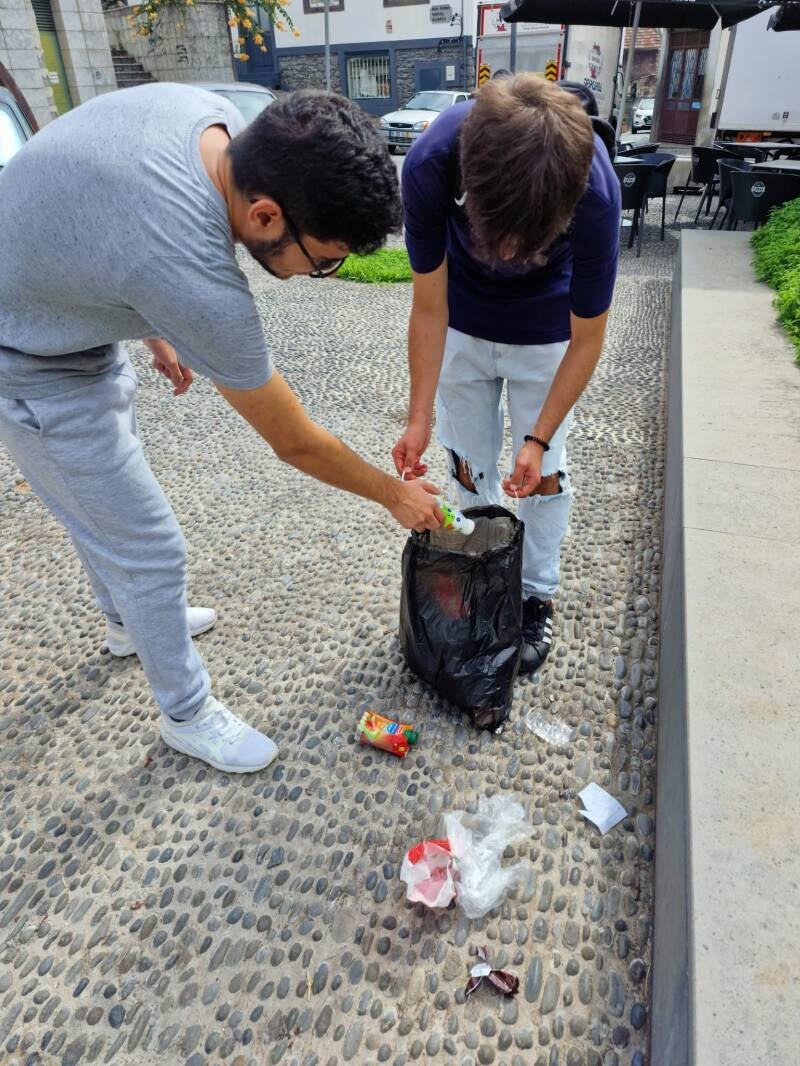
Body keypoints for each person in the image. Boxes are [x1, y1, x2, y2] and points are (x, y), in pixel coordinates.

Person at [0, 84, 442, 773]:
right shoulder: (190, 273)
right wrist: (393, 493)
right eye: (323, 261)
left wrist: (151, 323)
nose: (322, 273)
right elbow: (293, 440)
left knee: (97, 506)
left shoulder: (217, 125)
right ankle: (186, 713)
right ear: (265, 215)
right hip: (26, 357)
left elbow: (95, 213)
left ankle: (128, 623)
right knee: (150, 549)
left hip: (55, 304)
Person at [392, 74, 621, 674]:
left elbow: (588, 338)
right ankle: (480, 569)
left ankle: (536, 593)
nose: (514, 255)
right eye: (502, 235)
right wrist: (418, 416)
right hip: (461, 320)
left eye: (531, 240)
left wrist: (538, 438)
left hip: (548, 330)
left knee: (545, 473)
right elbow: (428, 306)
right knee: (467, 461)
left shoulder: (596, 193)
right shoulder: (432, 163)